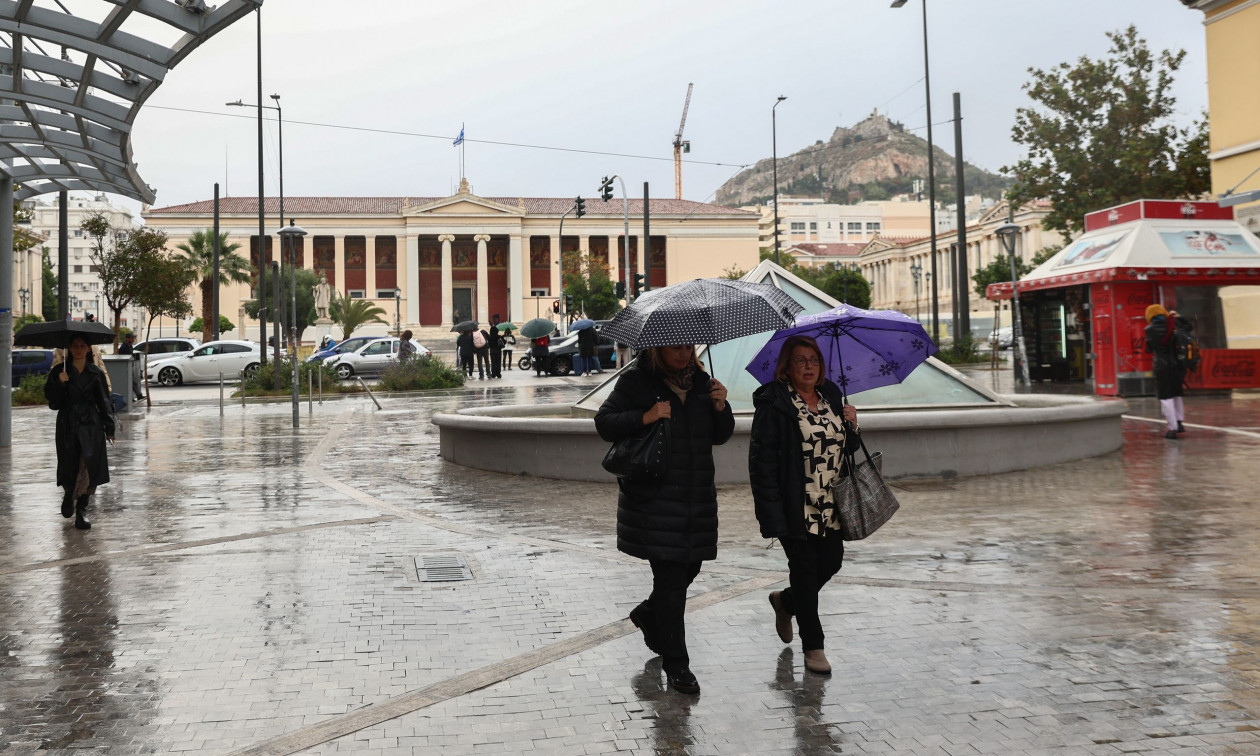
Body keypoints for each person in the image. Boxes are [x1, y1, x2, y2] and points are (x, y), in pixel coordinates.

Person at [594, 344, 733, 695]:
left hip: (696, 497)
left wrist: (721, 406)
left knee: (689, 569)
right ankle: (677, 664)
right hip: (655, 500)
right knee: (671, 581)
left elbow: (720, 435)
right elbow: (604, 422)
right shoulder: (637, 380)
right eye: (676, 347)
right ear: (659, 348)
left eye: (689, 346)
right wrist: (646, 416)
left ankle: (648, 613)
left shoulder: (702, 382)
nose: (684, 353)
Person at [748, 335, 860, 676]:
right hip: (795, 506)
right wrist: (771, 514)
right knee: (806, 572)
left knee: (832, 562)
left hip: (832, 506)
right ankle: (814, 647)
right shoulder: (775, 404)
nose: (808, 366)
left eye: (814, 360)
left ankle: (785, 601)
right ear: (787, 366)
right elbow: (762, 464)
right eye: (800, 360)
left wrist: (852, 425)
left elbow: (846, 448)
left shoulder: (830, 395)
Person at [44, 336, 115, 531]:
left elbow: (104, 401)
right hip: (67, 423)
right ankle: (69, 495)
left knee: (89, 466)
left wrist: (109, 427)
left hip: (91, 425)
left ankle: (82, 509)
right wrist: (60, 383)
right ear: (69, 348)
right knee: (69, 464)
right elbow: (53, 403)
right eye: (75, 345)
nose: (78, 349)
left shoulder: (95, 373)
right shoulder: (60, 371)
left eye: (82, 346)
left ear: (88, 348)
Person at [1145, 304, 1190, 439]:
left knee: (1166, 397)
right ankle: (1179, 423)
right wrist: (1179, 317)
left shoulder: (1150, 330)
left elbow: (1149, 349)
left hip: (1162, 367)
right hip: (1178, 366)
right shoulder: (1175, 324)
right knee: (1177, 394)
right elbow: (1189, 328)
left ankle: (1172, 428)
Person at [117, 332, 145, 401]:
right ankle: (136, 396)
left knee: (132, 382)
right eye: (131, 338)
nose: (133, 340)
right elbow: (122, 357)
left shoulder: (130, 346)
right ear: (127, 339)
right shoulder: (124, 347)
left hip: (130, 367)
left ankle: (136, 396)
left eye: (133, 338)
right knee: (131, 382)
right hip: (125, 368)